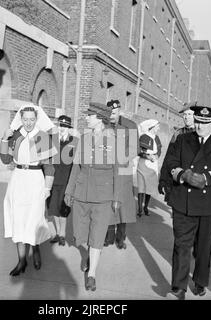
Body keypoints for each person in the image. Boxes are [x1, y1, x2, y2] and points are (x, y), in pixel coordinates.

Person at [166, 105, 211, 300]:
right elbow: (170, 162)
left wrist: (205, 179)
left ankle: (200, 281)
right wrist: (183, 174)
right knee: (181, 244)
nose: (199, 126)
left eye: (205, 123)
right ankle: (179, 287)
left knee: (204, 247)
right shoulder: (182, 139)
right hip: (183, 201)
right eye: (197, 122)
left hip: (210, 204)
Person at [64, 103, 121, 291]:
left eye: (90, 115)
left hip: (103, 196)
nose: (86, 118)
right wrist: (69, 191)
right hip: (81, 193)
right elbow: (76, 167)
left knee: (97, 235)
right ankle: (88, 254)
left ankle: (92, 274)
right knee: (79, 234)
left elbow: (118, 171)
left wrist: (116, 197)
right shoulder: (84, 139)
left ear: (99, 118)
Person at [0, 105, 58, 277]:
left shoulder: (42, 137)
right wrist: (4, 139)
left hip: (35, 180)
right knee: (18, 218)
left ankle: (36, 247)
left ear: (36, 119)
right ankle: (21, 261)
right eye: (25, 119)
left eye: (32, 119)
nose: (28, 123)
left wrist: (47, 188)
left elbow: (49, 166)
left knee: (34, 217)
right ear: (21, 119)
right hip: (18, 179)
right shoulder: (16, 135)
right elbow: (5, 159)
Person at [104, 100, 138, 249]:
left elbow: (134, 149)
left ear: (119, 111)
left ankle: (121, 237)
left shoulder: (130, 125)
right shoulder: (104, 125)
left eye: (114, 112)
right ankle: (109, 236)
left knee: (122, 204)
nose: (111, 115)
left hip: (124, 169)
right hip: (107, 169)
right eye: (109, 112)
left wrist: (118, 158)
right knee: (108, 202)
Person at [47, 115, 78, 246]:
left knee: (63, 209)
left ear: (69, 128)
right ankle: (56, 234)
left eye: (65, 126)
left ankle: (62, 235)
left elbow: (77, 163)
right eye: (60, 126)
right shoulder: (51, 140)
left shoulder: (74, 142)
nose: (62, 128)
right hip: (52, 179)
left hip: (66, 179)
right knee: (52, 207)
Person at [158, 103, 195, 202]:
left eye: (189, 114)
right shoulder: (178, 133)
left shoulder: (201, 133)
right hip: (177, 177)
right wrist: (163, 179)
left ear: (195, 115)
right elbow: (169, 157)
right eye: (184, 114)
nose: (186, 117)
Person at [136, 119, 161, 217]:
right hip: (144, 163)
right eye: (157, 126)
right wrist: (147, 156)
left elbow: (159, 150)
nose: (158, 128)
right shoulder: (144, 137)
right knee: (141, 187)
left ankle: (146, 207)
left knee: (149, 187)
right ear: (152, 127)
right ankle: (140, 209)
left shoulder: (157, 137)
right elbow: (139, 151)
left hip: (153, 164)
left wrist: (157, 156)